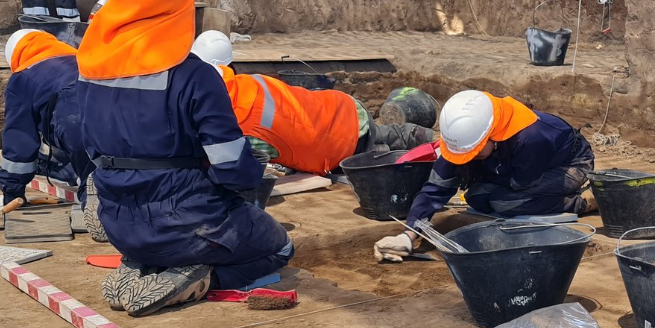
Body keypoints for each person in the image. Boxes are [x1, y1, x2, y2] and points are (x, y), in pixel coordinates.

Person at [76, 0, 292, 316]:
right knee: (279, 245)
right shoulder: (195, 76)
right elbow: (234, 171)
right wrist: (247, 178)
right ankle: (200, 279)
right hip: (188, 226)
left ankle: (144, 265)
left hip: (118, 226)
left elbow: (86, 147)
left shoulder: (90, 67)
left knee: (170, 226)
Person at [374, 90, 595, 262]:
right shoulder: (466, 134)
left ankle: (582, 201)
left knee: (506, 202)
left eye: (473, 152)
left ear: (492, 135)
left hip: (567, 165)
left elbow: (520, 182)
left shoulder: (530, 137)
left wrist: (487, 176)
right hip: (512, 167)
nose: (468, 157)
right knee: (477, 197)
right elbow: (437, 186)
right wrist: (409, 235)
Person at [191, 30, 434, 175]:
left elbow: (245, 170)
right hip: (342, 107)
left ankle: (418, 145)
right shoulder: (252, 81)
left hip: (338, 149)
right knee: (382, 135)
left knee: (376, 146)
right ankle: (425, 138)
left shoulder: (240, 130)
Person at [0, 28, 90, 206]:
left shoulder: (22, 77)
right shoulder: (80, 59)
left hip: (75, 121)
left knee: (97, 192)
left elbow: (18, 142)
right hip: (119, 116)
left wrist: (12, 193)